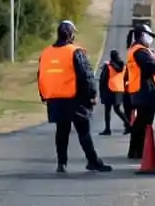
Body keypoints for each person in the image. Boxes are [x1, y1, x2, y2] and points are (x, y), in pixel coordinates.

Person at [37, 20, 112, 173]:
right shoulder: (75, 51)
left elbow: (41, 76)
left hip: (55, 99)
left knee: (61, 131)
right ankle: (92, 161)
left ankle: (61, 163)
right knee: (83, 131)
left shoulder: (46, 53)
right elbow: (86, 76)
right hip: (75, 99)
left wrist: (44, 95)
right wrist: (92, 95)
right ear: (70, 35)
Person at [124, 23, 155, 159]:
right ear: (142, 35)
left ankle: (135, 150)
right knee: (144, 122)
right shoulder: (140, 51)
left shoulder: (138, 50)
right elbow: (151, 68)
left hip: (141, 91)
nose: (151, 39)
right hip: (144, 91)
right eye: (150, 36)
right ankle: (139, 150)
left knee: (141, 121)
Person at [97, 49, 130, 135]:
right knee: (117, 109)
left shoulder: (108, 66)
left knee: (107, 110)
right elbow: (126, 78)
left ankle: (107, 129)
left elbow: (103, 79)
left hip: (110, 89)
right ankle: (128, 124)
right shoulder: (124, 66)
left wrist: (101, 91)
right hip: (120, 90)